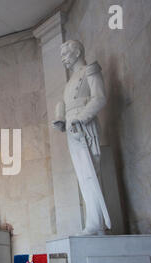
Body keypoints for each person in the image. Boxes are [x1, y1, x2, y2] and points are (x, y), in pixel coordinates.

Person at [52, 40, 111, 235]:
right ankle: (93, 222)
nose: (62, 58)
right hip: (71, 128)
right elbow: (67, 106)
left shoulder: (90, 70)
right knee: (83, 177)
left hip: (85, 125)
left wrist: (81, 117)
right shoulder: (69, 83)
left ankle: (96, 224)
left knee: (90, 173)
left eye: (65, 54)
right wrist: (61, 119)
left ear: (77, 52)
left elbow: (99, 98)